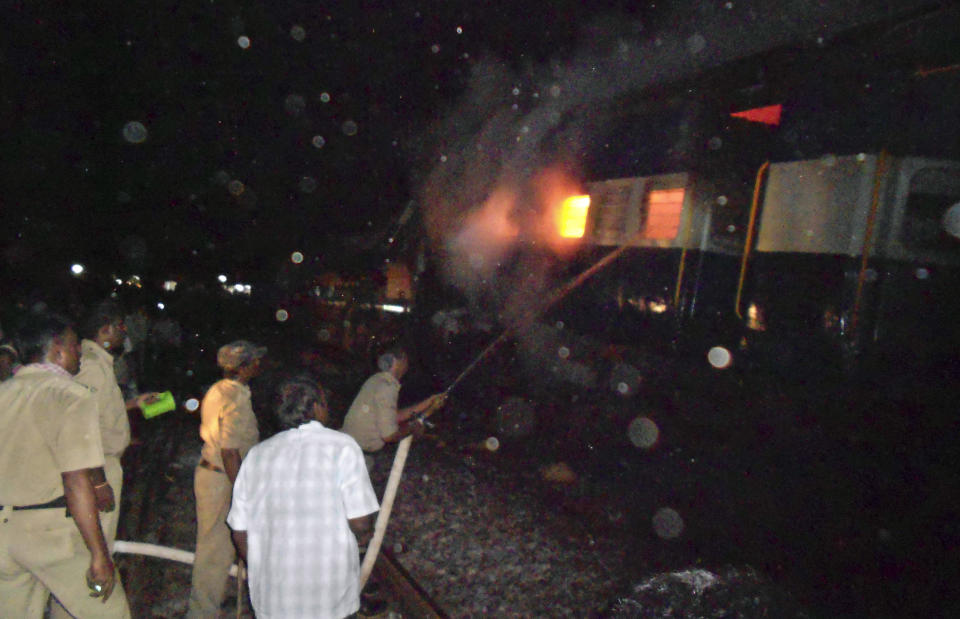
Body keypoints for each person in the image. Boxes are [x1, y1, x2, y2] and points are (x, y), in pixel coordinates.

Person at [0, 312, 130, 617]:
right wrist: (99, 555)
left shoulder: (4, 394)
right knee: (108, 610)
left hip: (5, 539)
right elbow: (76, 480)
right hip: (51, 539)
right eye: (75, 347)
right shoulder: (70, 395)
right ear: (56, 350)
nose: (79, 355)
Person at [228, 378, 379, 618]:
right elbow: (360, 522)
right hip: (329, 596)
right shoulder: (342, 447)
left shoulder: (257, 455)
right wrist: (362, 537)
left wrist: (265, 565)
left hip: (273, 598)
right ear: (317, 407)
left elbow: (239, 532)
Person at [187, 339, 265, 618]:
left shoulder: (220, 390)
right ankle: (201, 613)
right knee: (214, 554)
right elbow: (230, 451)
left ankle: (214, 607)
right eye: (254, 361)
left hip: (214, 475)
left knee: (219, 549)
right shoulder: (236, 397)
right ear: (243, 368)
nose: (259, 365)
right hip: (222, 479)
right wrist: (244, 493)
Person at [341, 347, 447, 455]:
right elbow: (389, 436)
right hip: (356, 454)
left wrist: (429, 402)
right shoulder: (387, 386)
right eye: (405, 360)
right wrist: (413, 427)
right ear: (397, 362)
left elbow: (392, 417)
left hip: (348, 446)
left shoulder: (376, 380)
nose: (407, 365)